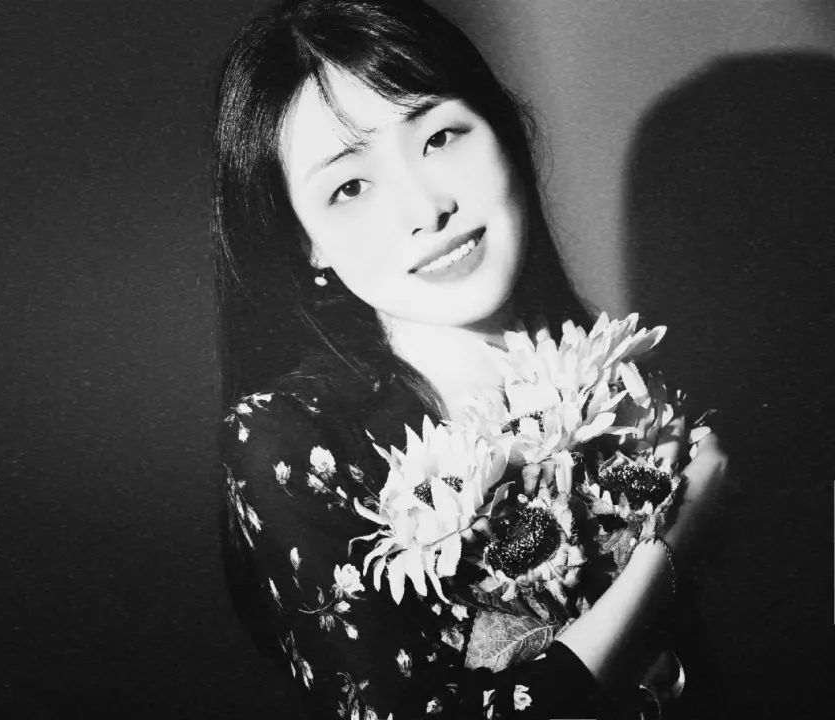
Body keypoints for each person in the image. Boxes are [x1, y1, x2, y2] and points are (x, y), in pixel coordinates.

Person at [213, 1, 730, 718]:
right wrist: (669, 556)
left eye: (440, 137)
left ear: (504, 133)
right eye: (350, 186)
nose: (426, 208)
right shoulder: (289, 439)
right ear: (307, 244)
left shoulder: (614, 375)